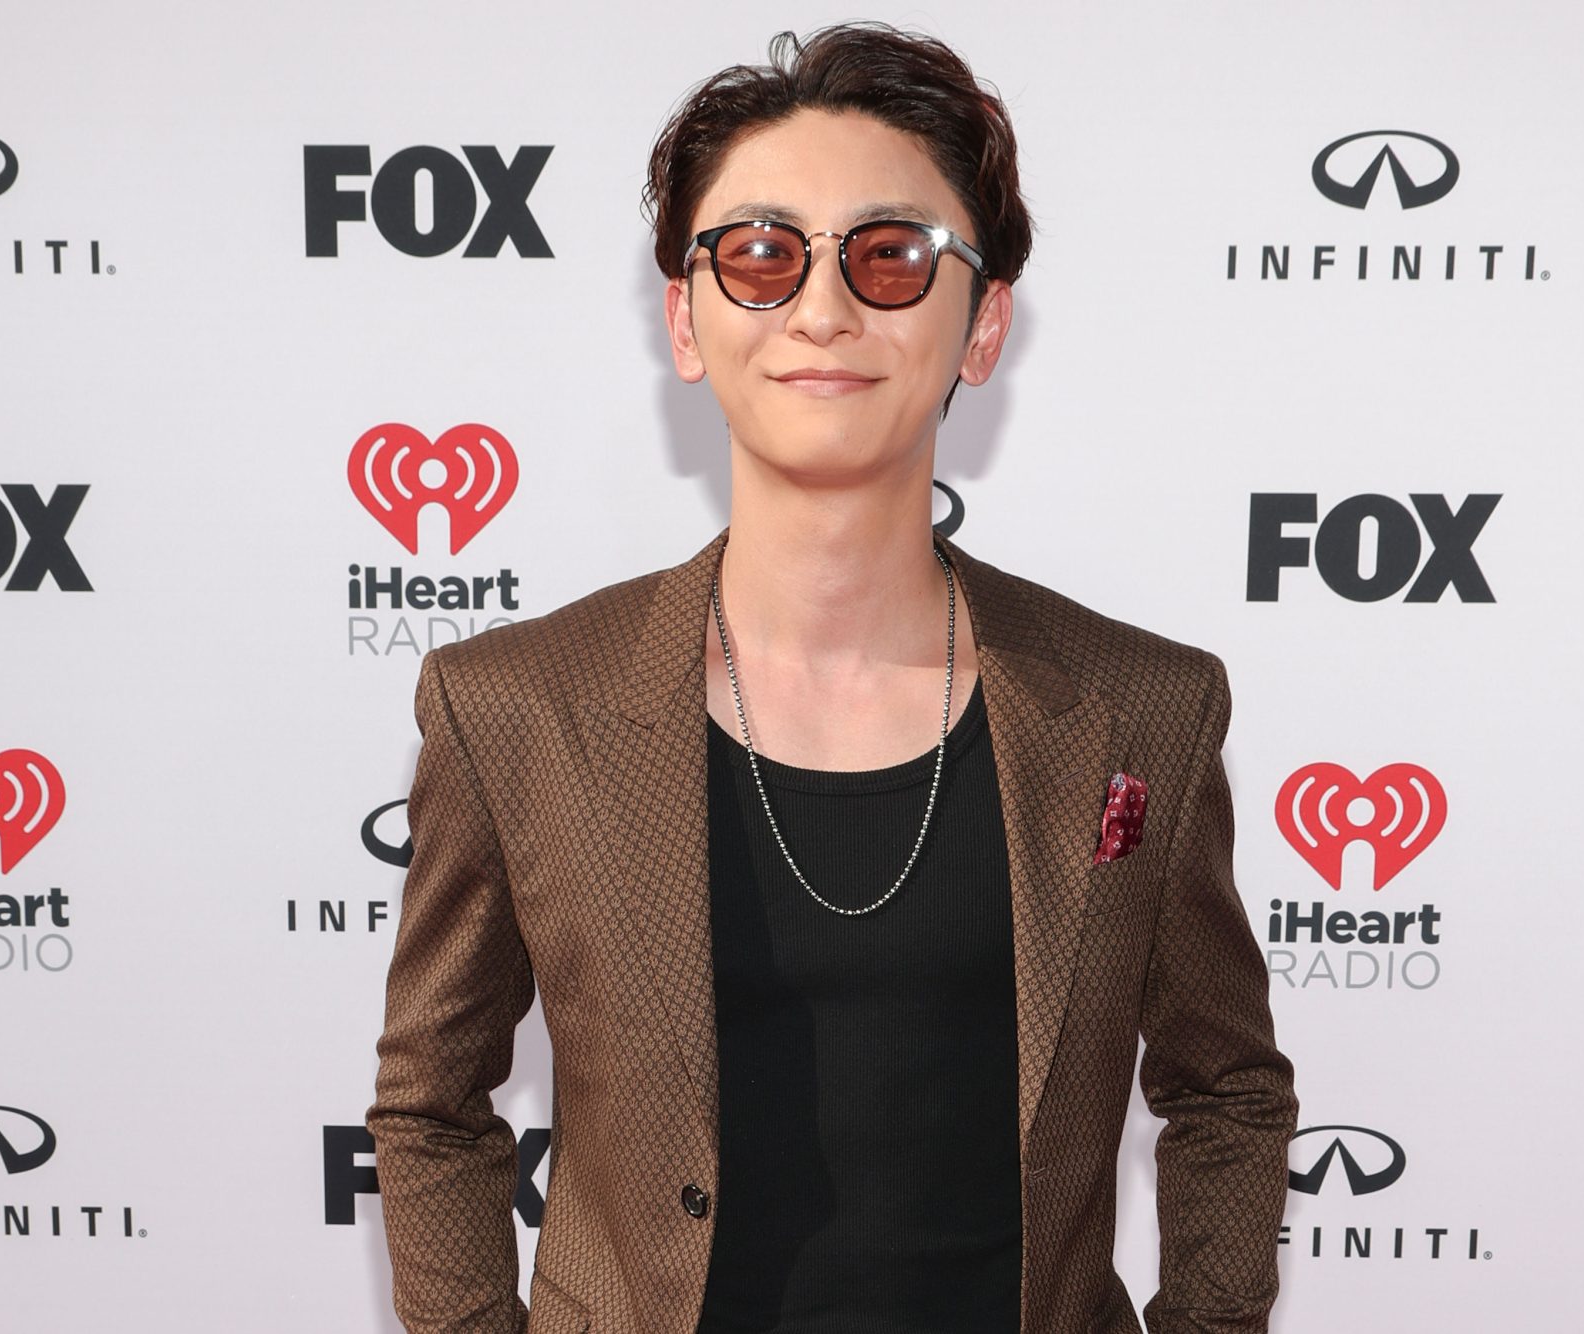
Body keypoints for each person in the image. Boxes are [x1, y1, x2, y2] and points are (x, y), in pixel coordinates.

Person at [368, 22, 1296, 1334]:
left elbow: (1228, 1086)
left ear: (982, 326)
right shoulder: (516, 706)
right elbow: (431, 1096)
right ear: (686, 320)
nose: (821, 308)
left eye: (890, 254)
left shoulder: (1145, 707)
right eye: (757, 254)